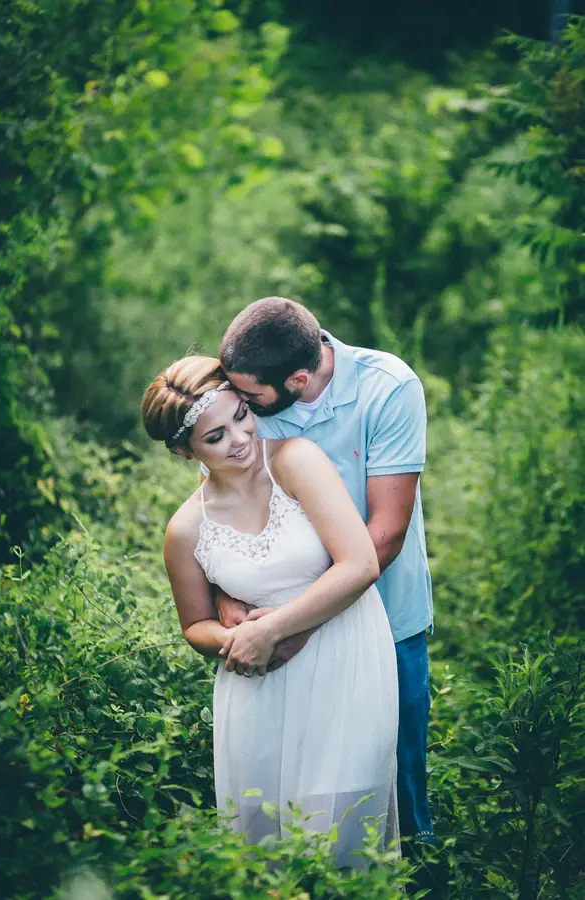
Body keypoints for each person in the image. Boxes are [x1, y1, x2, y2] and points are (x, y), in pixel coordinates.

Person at [141, 356, 400, 866]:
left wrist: (273, 628)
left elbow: (360, 564)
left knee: (345, 831)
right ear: (181, 449)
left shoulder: (294, 460)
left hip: (344, 659)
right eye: (214, 437)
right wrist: (233, 639)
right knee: (268, 847)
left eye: (241, 415)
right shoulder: (186, 529)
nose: (239, 438)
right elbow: (195, 625)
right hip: (258, 685)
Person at [214, 297, 435, 846]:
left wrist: (293, 624)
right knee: (300, 781)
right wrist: (225, 595)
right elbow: (224, 500)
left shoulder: (388, 388)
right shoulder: (250, 413)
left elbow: (384, 535)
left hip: (387, 617)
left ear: (297, 377)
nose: (239, 406)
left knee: (394, 782)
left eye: (249, 396)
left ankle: (420, 878)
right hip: (277, 625)